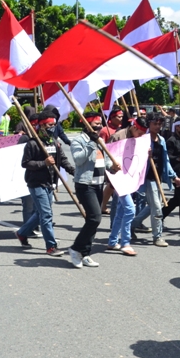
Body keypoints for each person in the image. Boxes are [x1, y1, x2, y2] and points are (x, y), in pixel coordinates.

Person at [16, 109, 74, 254]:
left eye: (54, 124)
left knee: (41, 213)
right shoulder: (32, 143)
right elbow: (26, 163)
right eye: (49, 125)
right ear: (41, 126)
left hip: (49, 182)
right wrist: (43, 163)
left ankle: (22, 233)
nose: (52, 127)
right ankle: (51, 246)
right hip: (36, 183)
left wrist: (74, 172)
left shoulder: (54, 142)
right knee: (47, 214)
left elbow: (63, 160)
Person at [69, 111, 119, 268]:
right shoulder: (79, 140)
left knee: (93, 221)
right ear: (86, 124)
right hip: (85, 184)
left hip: (98, 184)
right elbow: (78, 159)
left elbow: (103, 161)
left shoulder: (99, 141)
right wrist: (91, 143)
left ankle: (85, 253)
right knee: (95, 218)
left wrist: (112, 167)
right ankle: (75, 248)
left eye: (100, 124)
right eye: (95, 124)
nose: (98, 127)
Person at [132, 112, 177, 247]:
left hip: (158, 177)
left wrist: (173, 176)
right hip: (147, 177)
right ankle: (157, 236)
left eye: (160, 124)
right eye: (155, 124)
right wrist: (145, 154)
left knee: (152, 206)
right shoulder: (142, 139)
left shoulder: (161, 140)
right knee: (157, 207)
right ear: (149, 124)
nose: (158, 126)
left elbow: (166, 160)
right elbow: (134, 158)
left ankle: (130, 226)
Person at [106, 116, 149, 256]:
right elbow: (107, 157)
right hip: (118, 178)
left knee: (120, 211)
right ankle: (125, 242)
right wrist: (111, 170)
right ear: (134, 127)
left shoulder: (140, 139)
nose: (141, 136)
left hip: (130, 177)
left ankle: (112, 241)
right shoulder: (118, 136)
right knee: (130, 209)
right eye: (140, 133)